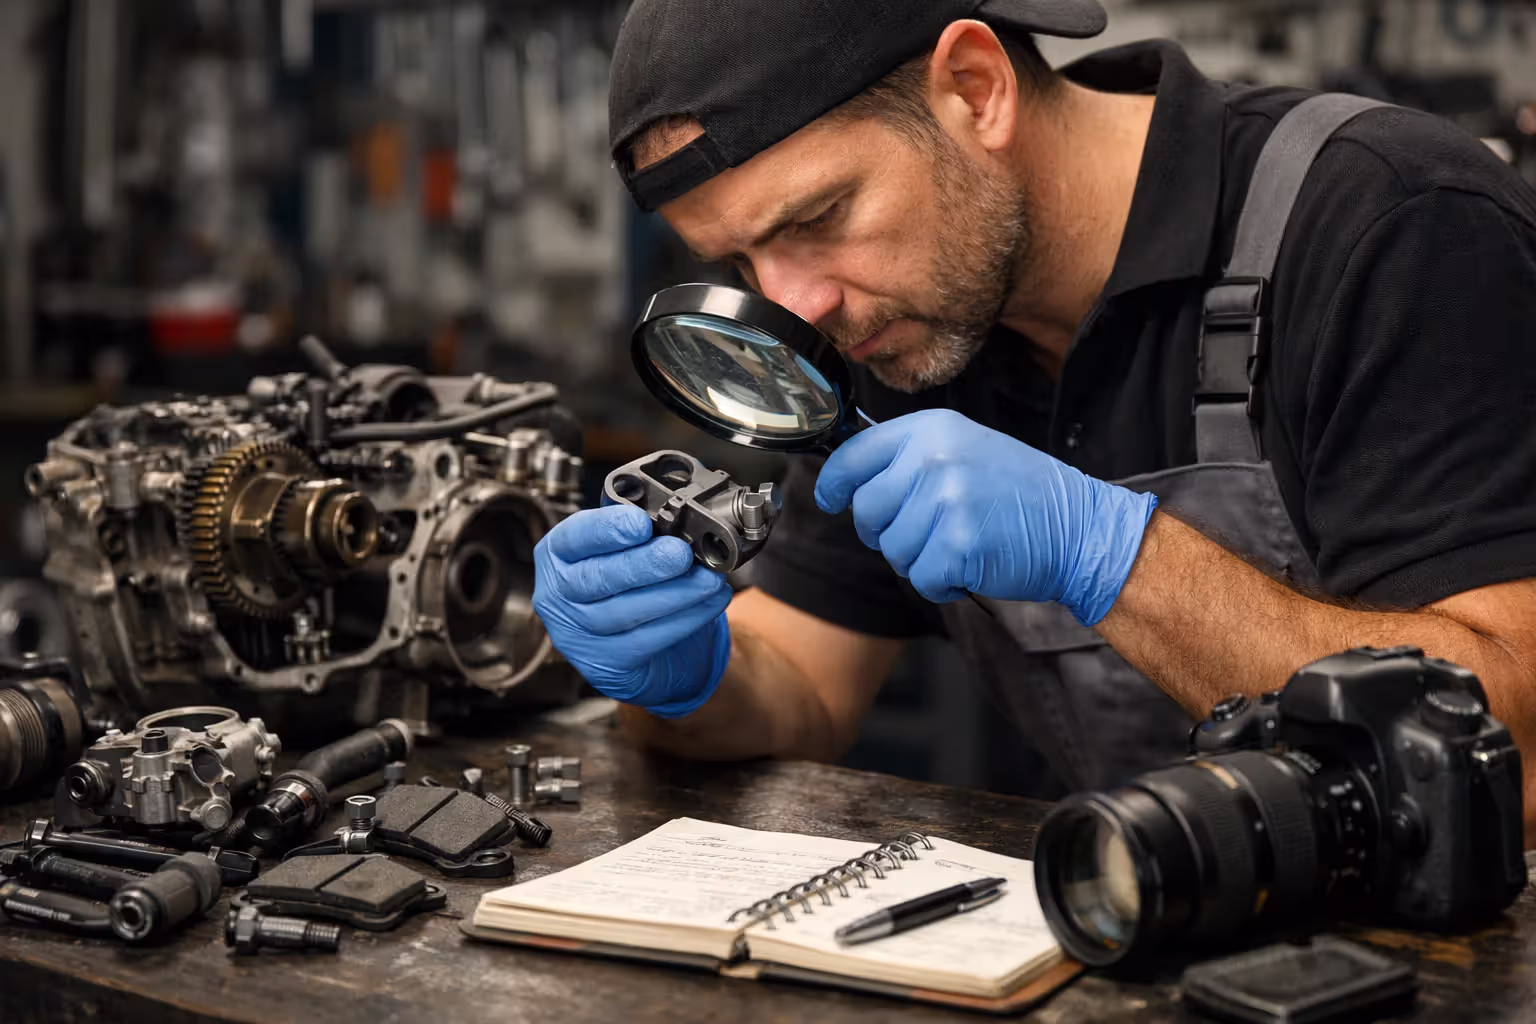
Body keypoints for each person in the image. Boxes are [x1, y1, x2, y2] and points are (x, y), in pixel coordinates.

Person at [532, 0, 1536, 841]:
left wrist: (1113, 555)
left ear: (975, 88)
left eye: (815, 218)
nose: (799, 309)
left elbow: (1519, 755)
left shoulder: (1394, 227)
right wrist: (680, 675)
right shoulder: (906, 327)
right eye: (743, 265)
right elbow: (803, 683)